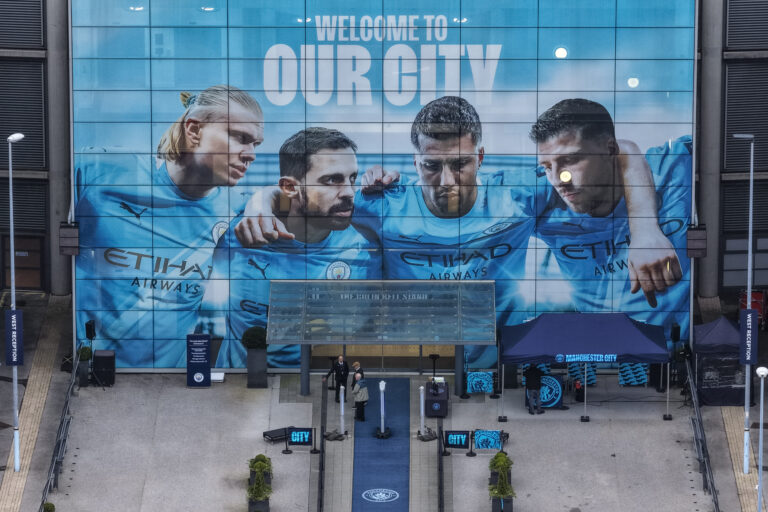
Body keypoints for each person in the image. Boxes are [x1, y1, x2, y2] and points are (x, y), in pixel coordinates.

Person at [234, 97, 670, 368]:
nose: (445, 181)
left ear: (480, 157)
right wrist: (259, 201)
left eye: (459, 164)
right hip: (408, 363)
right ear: (415, 162)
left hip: (496, 367)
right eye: (431, 166)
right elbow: (304, 193)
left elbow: (625, 152)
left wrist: (647, 232)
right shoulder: (383, 203)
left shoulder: (517, 195)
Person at [75, 85, 264, 368]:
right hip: (92, 370)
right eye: (240, 138)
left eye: (255, 144)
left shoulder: (239, 211)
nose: (251, 154)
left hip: (171, 382)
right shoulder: (101, 170)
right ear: (194, 130)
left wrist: (266, 199)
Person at [213, 127, 382, 367]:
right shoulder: (237, 230)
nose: (348, 192)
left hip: (317, 382)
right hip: (238, 382)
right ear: (290, 187)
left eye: (352, 178)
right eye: (332, 180)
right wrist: (260, 200)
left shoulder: (366, 247)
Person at [531, 99, 691, 346]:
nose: (559, 179)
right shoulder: (542, 204)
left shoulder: (671, 168)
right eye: (546, 167)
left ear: (609, 149)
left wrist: (646, 229)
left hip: (678, 353)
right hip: (600, 354)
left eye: (570, 160)